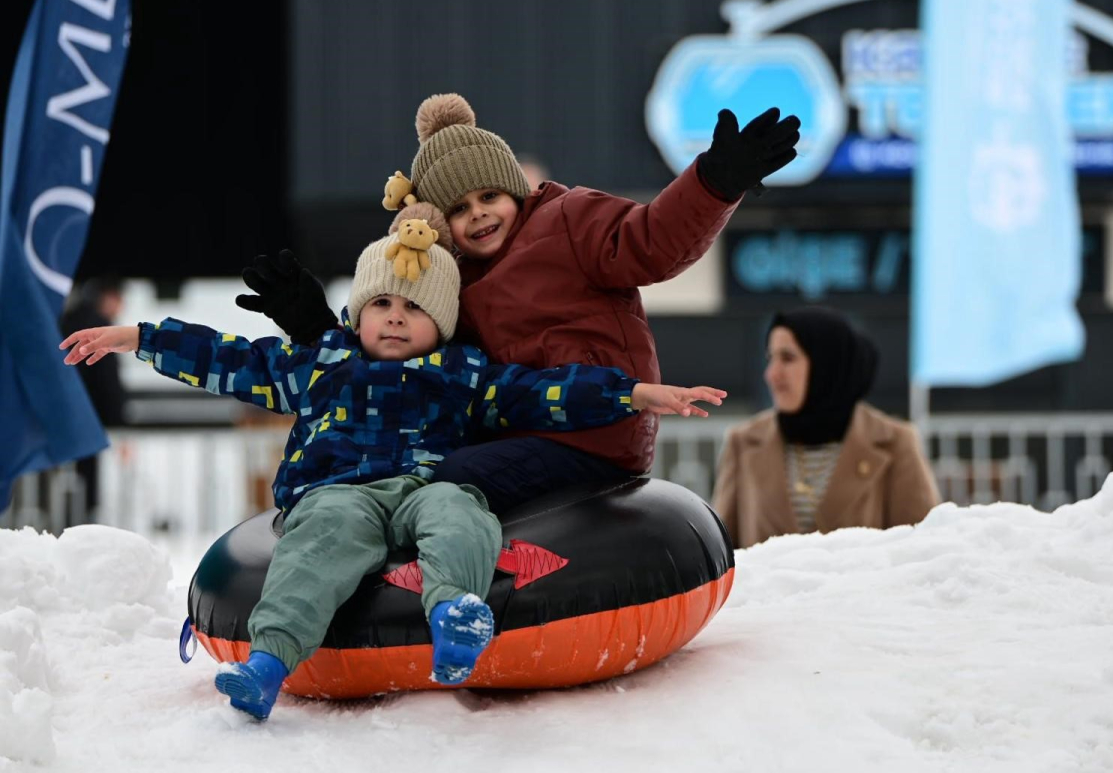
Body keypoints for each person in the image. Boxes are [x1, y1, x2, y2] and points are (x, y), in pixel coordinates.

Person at [61, 232, 724, 720]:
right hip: (336, 494)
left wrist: (633, 395)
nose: (396, 317)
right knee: (318, 544)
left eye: (415, 308)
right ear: (357, 314)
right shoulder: (319, 363)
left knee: (460, 513)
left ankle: (456, 615)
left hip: (423, 485)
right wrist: (137, 337)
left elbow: (541, 391)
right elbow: (228, 358)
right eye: (381, 304)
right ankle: (268, 662)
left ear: (441, 322)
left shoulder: (460, 374)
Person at [235, 93, 800, 513]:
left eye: (490, 196)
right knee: (404, 460)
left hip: (592, 425)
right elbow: (391, 340)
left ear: (516, 191)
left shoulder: (571, 218)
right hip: (510, 428)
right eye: (459, 208)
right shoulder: (444, 275)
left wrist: (713, 183)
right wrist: (313, 325)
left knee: (453, 478)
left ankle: (485, 574)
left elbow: (651, 241)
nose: (479, 214)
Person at [712, 308, 940, 548]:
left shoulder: (895, 442)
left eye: (788, 358)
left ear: (827, 364)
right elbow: (720, 554)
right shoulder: (743, 442)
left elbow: (922, 551)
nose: (771, 374)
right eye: (771, 358)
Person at [60, 278, 129, 522]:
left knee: (58, 480)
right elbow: (107, 380)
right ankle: (80, 525)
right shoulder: (100, 329)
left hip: (59, 416)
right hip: (88, 417)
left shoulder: (65, 320)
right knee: (85, 481)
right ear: (107, 297)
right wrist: (120, 422)